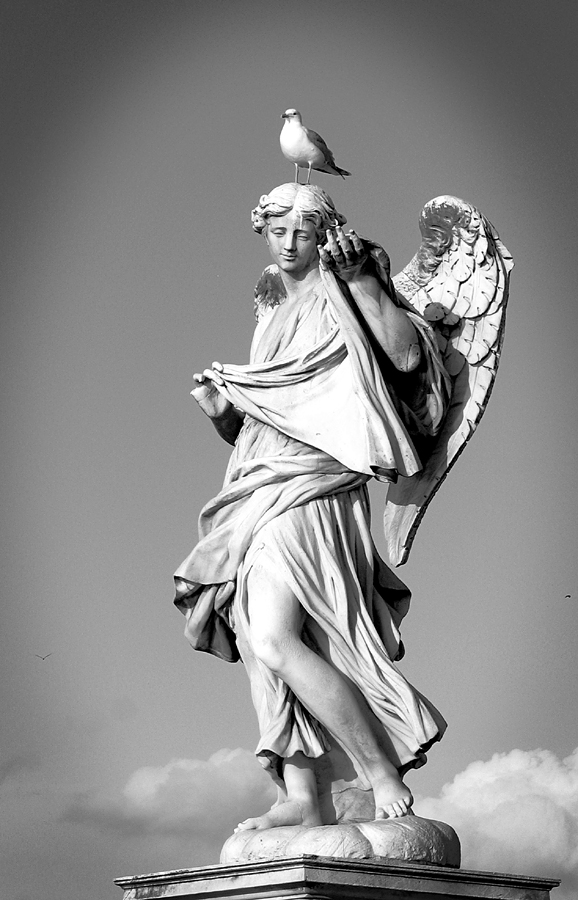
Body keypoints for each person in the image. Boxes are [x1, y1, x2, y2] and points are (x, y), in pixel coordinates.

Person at [174, 183, 450, 829]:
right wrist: (223, 415)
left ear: (324, 233)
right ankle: (300, 794)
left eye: (302, 231)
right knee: (260, 637)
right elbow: (276, 409)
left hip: (315, 482)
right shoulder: (273, 310)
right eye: (278, 232)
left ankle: (379, 770)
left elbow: (408, 357)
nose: (289, 244)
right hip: (257, 481)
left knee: (274, 636)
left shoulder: (347, 281)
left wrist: (361, 283)